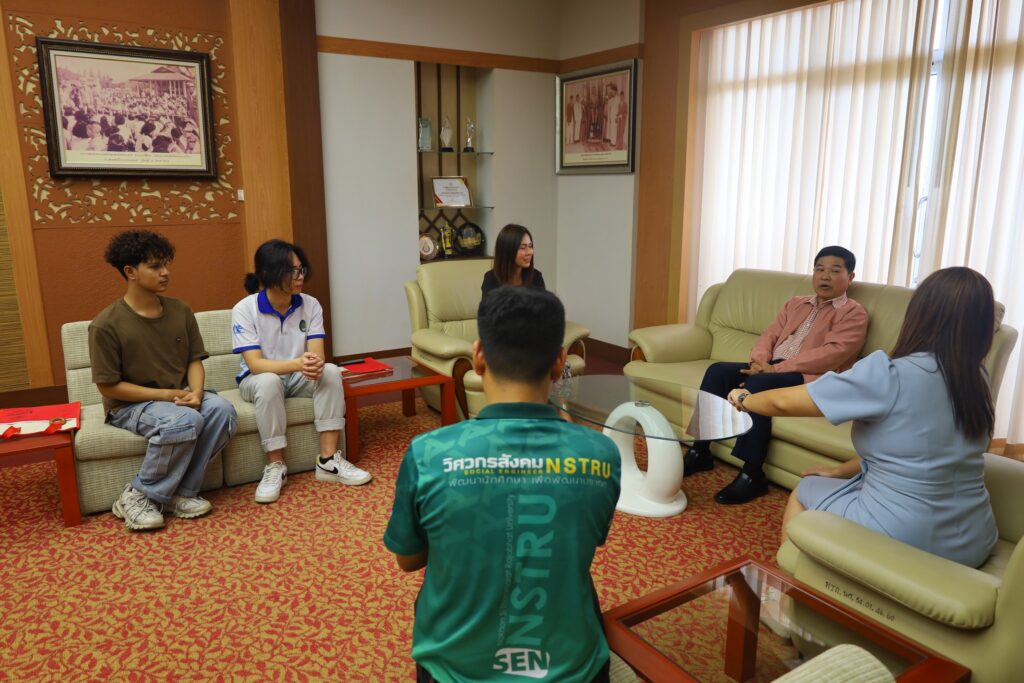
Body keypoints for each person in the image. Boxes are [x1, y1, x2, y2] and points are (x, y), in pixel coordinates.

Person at [385, 286, 621, 682]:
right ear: (559, 362)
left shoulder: (428, 454)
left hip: (453, 672)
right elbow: (586, 538)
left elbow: (407, 560)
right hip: (572, 671)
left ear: (478, 357)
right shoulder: (601, 453)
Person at [730, 267, 999, 568]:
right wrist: (839, 471)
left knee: (804, 491)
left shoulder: (890, 373)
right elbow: (916, 449)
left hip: (906, 533)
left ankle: (791, 582)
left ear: (920, 314)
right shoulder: (977, 377)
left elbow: (782, 404)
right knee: (830, 484)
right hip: (975, 537)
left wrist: (744, 399)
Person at [686, 246, 868, 504]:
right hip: (770, 367)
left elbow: (832, 354)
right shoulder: (796, 303)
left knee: (759, 384)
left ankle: (752, 474)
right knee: (718, 372)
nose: (825, 276)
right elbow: (769, 334)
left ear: (850, 277)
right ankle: (700, 451)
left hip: (811, 377)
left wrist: (775, 369)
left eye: (835, 271)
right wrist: (759, 361)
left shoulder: (853, 312)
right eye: (820, 269)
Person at [89, 230, 237, 532]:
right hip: (129, 406)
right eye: (155, 266)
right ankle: (137, 496)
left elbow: (193, 360)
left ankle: (180, 493)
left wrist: (197, 392)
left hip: (177, 396)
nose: (165, 272)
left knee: (222, 410)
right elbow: (108, 386)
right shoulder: (105, 325)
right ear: (130, 272)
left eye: (166, 264)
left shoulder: (180, 310)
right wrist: (168, 395)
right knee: (184, 420)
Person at [231, 239, 370, 504]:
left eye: (301, 269)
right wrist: (298, 363)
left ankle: (328, 461)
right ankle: (275, 465)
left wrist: (314, 364)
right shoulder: (245, 309)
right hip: (256, 380)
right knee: (269, 381)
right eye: (291, 271)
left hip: (297, 377)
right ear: (269, 274)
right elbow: (256, 365)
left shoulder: (310, 304)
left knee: (331, 371)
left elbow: (317, 355)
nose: (300, 276)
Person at [481, 223, 545, 294]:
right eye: (522, 248)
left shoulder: (536, 277)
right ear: (507, 250)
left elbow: (543, 301)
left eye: (530, 246)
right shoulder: (491, 278)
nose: (529, 252)